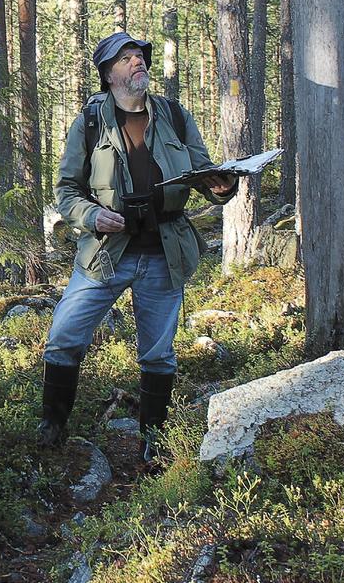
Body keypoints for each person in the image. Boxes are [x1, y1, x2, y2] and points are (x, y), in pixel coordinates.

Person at [40, 31, 238, 464]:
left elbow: (204, 173)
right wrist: (93, 216)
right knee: (63, 336)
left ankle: (154, 443)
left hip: (164, 254)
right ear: (109, 75)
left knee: (157, 353)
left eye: (140, 57)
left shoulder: (174, 115)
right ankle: (52, 427)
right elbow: (67, 191)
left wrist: (221, 186)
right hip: (106, 253)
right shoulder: (90, 123)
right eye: (126, 59)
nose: (137, 63)